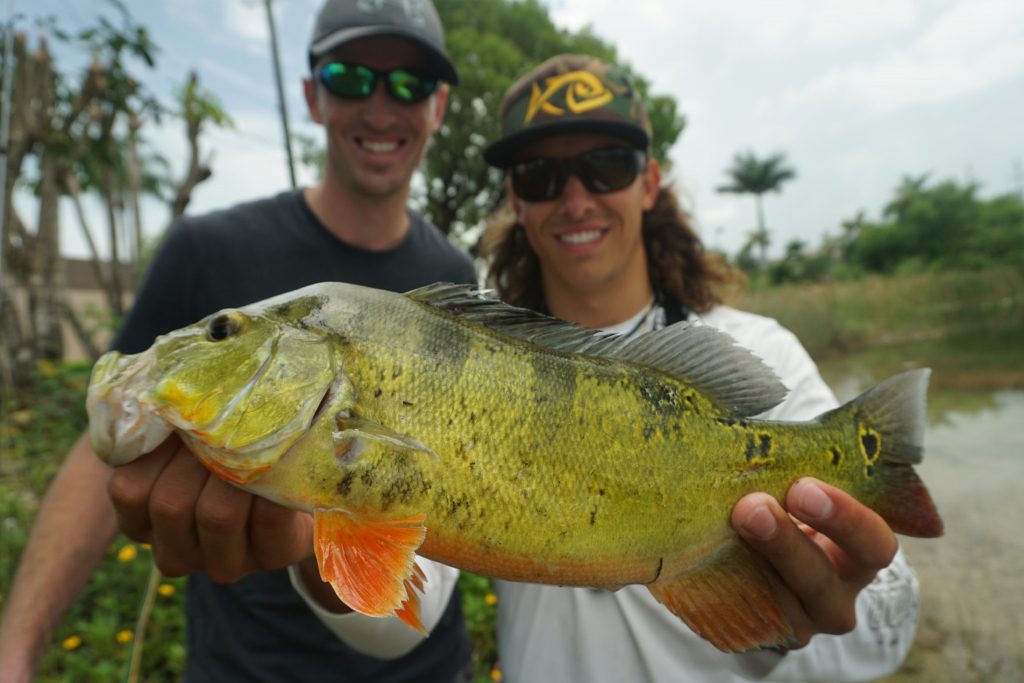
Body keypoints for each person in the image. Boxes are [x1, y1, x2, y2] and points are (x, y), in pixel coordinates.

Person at [0, 1, 476, 681]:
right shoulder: (208, 250)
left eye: (409, 84)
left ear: (440, 107)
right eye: (349, 77)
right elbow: (101, 454)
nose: (379, 106)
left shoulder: (454, 279)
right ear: (312, 95)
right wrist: (12, 655)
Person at [479, 54, 920, 682]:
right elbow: (393, 611)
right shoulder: (470, 373)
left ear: (649, 182)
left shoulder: (763, 351)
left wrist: (811, 607)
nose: (575, 199)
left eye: (605, 167)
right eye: (540, 177)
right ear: (515, 200)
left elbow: (889, 627)